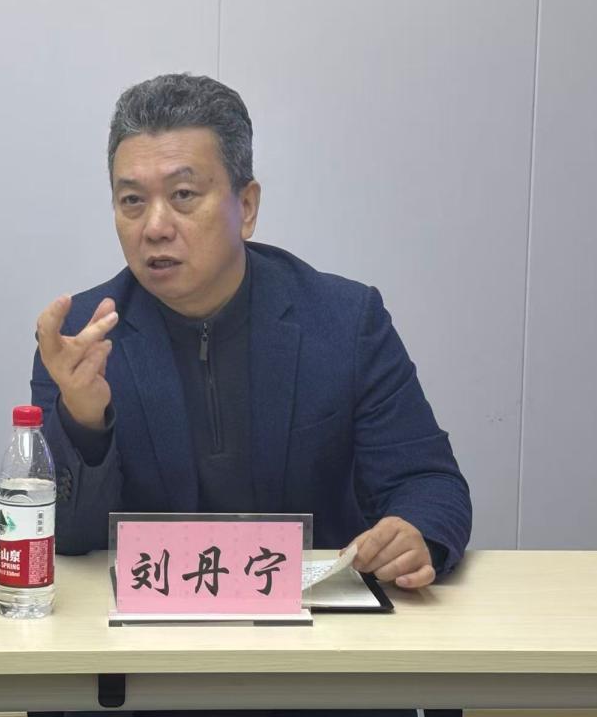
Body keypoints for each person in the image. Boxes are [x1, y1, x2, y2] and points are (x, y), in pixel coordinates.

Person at [31, 73, 471, 593]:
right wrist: (83, 421)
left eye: (183, 194)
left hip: (316, 621)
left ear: (247, 207)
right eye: (132, 201)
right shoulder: (81, 339)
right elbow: (64, 539)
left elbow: (428, 481)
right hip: (145, 627)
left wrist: (415, 532)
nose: (154, 227)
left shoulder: (345, 320)